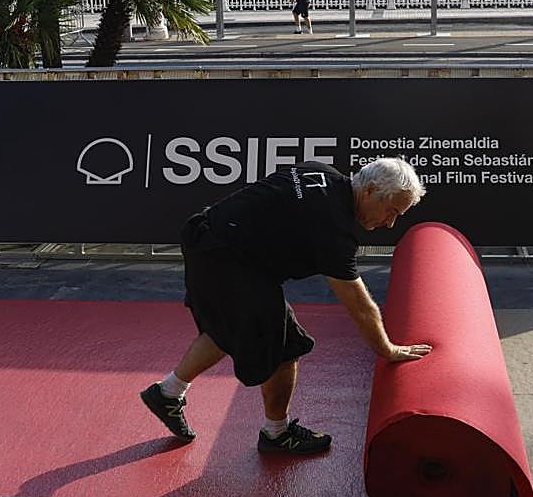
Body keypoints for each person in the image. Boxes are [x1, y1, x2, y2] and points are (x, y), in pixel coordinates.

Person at [140, 158, 432, 455]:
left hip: (208, 236)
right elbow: (359, 307)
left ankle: (167, 393)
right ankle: (277, 434)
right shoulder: (333, 230)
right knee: (285, 344)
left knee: (232, 326)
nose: (390, 223)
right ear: (369, 191)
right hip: (226, 259)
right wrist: (388, 350)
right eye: (391, 211)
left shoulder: (320, 171)